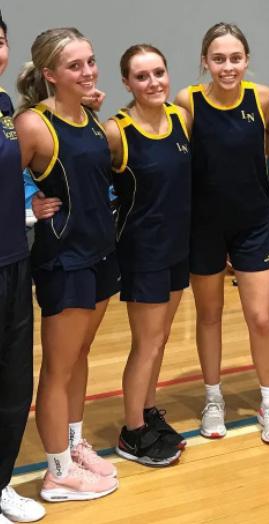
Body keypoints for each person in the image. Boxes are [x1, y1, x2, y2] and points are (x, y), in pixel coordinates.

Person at [14, 27, 118, 501]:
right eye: (75, 66)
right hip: (64, 259)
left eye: (90, 61)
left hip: (100, 253)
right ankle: (56, 472)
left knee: (79, 356)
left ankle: (74, 446)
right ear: (50, 74)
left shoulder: (89, 113)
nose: (88, 71)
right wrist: (28, 204)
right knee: (58, 368)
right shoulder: (34, 124)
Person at [175, 23, 269, 444]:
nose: (227, 67)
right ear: (205, 61)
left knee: (261, 317)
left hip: (254, 224)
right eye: (218, 59)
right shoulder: (188, 101)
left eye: (235, 58)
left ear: (247, 60)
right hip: (204, 227)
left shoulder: (264, 99)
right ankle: (213, 398)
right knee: (209, 316)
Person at [106, 44, 192, 466]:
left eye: (159, 72)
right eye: (142, 76)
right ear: (127, 83)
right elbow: (79, 174)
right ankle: (132, 431)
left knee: (161, 338)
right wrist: (42, 200)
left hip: (178, 246)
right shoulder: (116, 131)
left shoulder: (181, 119)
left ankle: (148, 410)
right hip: (143, 251)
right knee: (146, 343)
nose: (153, 82)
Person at [0, 10, 46, 523]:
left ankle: (0, 483)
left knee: (13, 385)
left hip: (13, 259)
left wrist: (33, 203)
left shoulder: (4, 106)